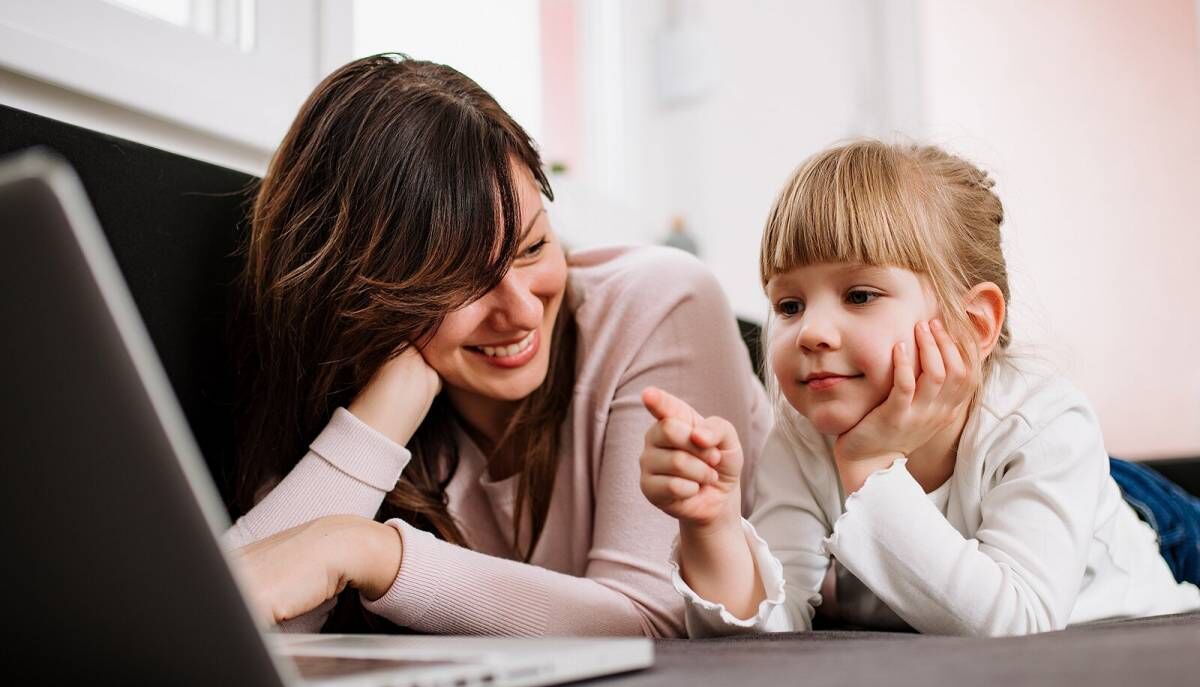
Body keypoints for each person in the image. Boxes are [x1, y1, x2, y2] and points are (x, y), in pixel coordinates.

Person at [224, 54, 770, 637]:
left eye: (533, 247)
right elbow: (222, 625)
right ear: (366, 293)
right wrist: (381, 418)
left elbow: (655, 623)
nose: (524, 311)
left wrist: (367, 552)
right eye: (460, 281)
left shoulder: (663, 302)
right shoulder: (361, 387)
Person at [639, 139, 1200, 637]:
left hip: (1143, 541)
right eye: (789, 304)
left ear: (975, 324)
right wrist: (711, 525)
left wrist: (872, 463)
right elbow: (776, 626)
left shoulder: (1044, 420)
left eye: (859, 295)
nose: (809, 331)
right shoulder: (804, 434)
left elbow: (1018, 623)